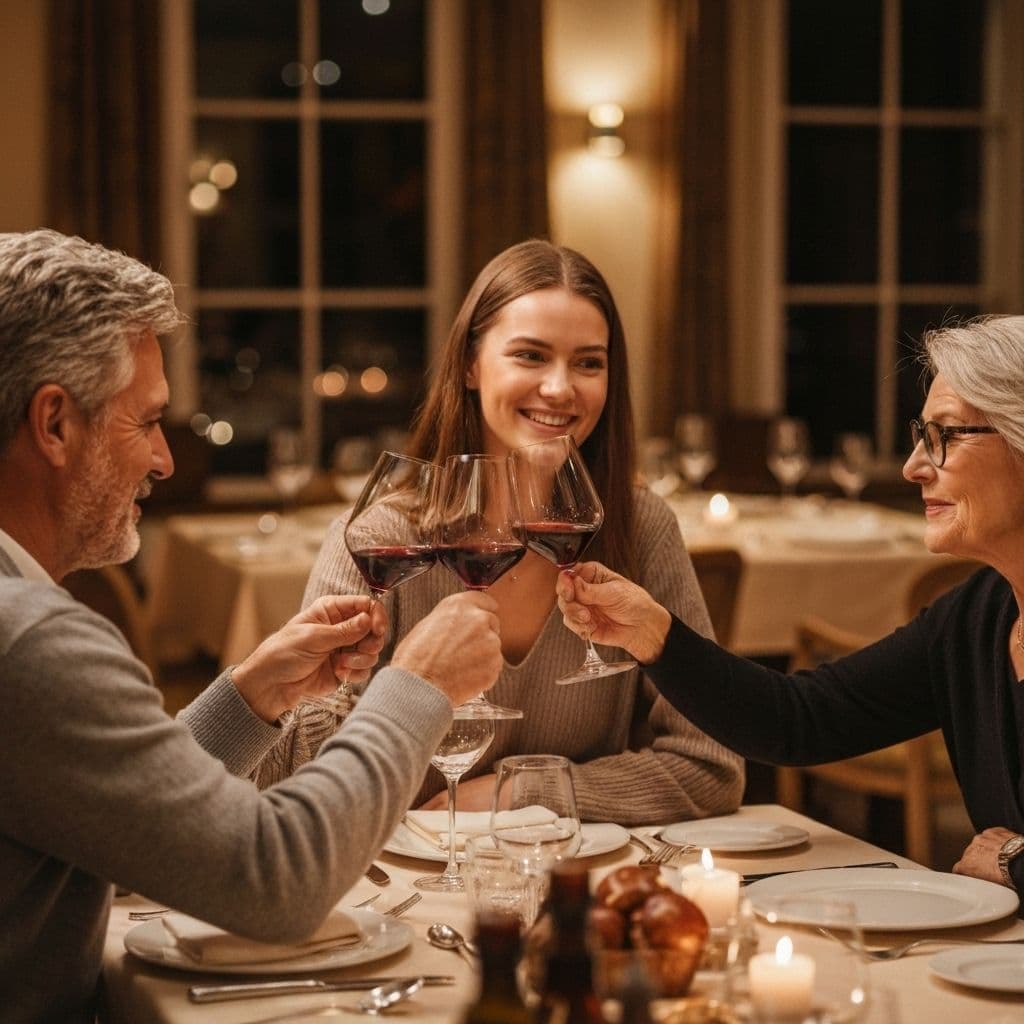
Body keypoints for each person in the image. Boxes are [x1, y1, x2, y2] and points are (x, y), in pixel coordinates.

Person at [0, 228, 503, 1023]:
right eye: (146, 422)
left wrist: (248, 697)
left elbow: (129, 827)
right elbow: (278, 881)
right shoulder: (32, 640)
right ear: (55, 424)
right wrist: (416, 687)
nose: (164, 460)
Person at [258, 239, 743, 824]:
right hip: (405, 890)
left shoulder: (640, 529)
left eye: (589, 362)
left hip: (571, 885)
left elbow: (712, 766)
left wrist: (527, 792)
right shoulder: (381, 536)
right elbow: (302, 781)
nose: (561, 388)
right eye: (531, 356)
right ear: (469, 364)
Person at [555, 313, 1024, 893]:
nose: (913, 467)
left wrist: (1014, 861)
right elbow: (797, 720)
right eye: (918, 437)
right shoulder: (978, 619)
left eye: (944, 436)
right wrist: (654, 634)